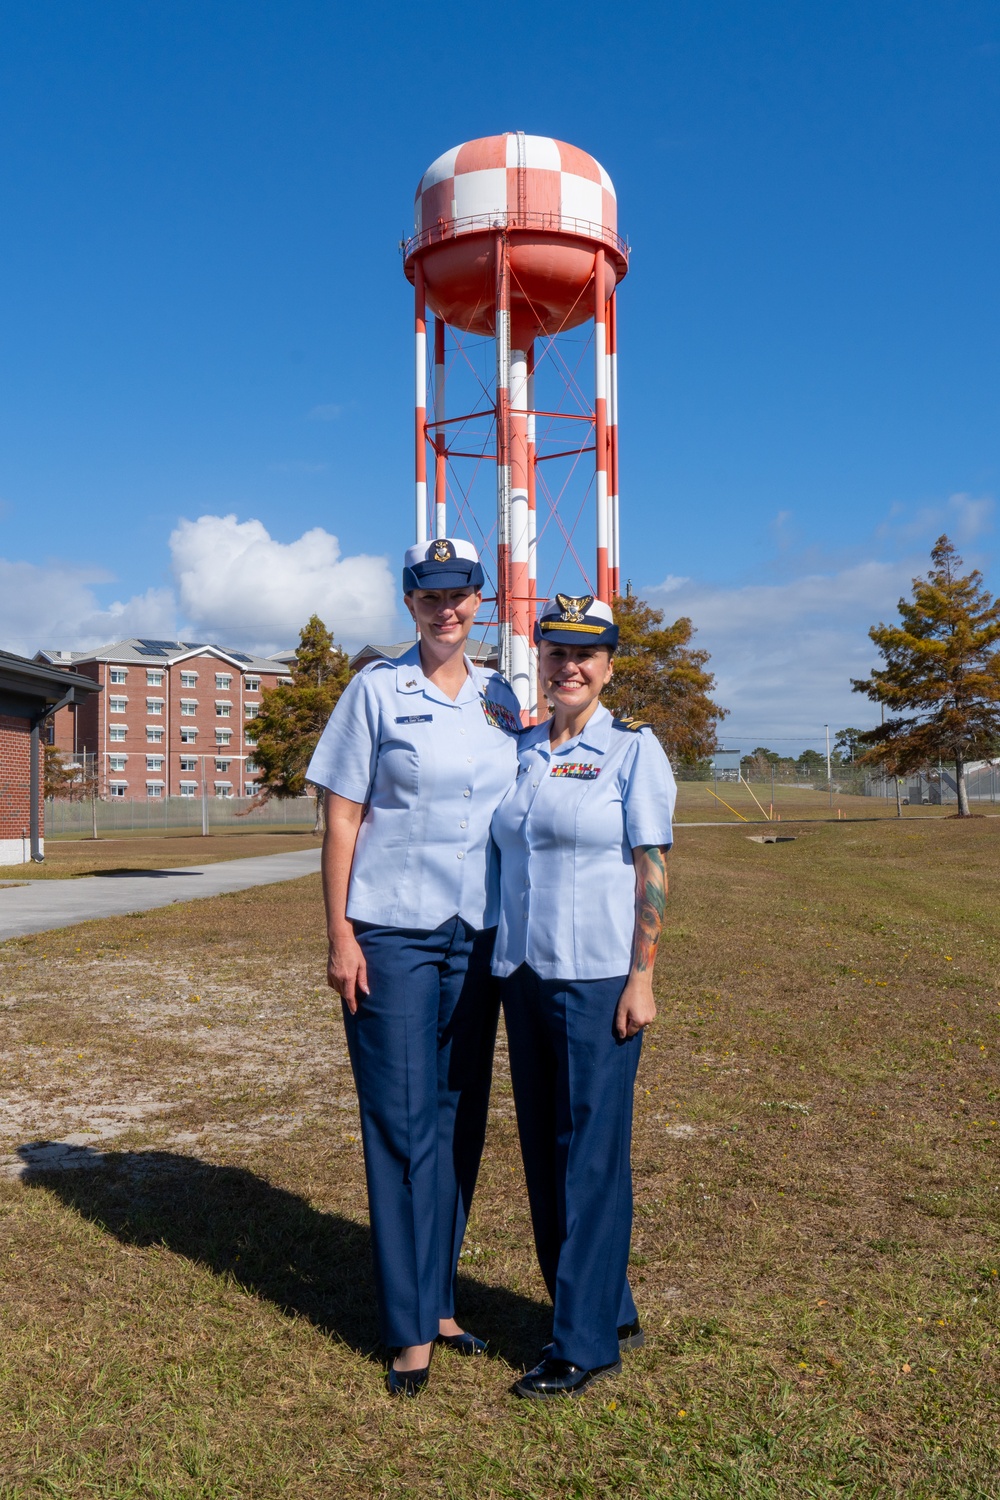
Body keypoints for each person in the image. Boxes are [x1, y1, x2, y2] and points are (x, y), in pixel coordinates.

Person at [306, 538, 521, 1396]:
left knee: (456, 1118)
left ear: (481, 601)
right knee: (401, 1122)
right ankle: (407, 1333)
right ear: (409, 600)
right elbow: (341, 821)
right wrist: (340, 937)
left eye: (461, 594)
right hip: (392, 934)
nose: (446, 609)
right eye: (430, 595)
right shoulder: (374, 693)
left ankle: (438, 1299)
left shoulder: (502, 699)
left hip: (479, 937)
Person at [490, 591, 677, 1398]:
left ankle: (584, 1342)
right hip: (526, 976)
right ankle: (608, 1303)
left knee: (591, 1159)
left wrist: (643, 974)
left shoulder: (634, 751)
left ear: (607, 667)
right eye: (556, 652)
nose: (569, 666)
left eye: (585, 654)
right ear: (542, 659)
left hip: (600, 978)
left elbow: (653, 870)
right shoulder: (522, 749)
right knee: (546, 1153)